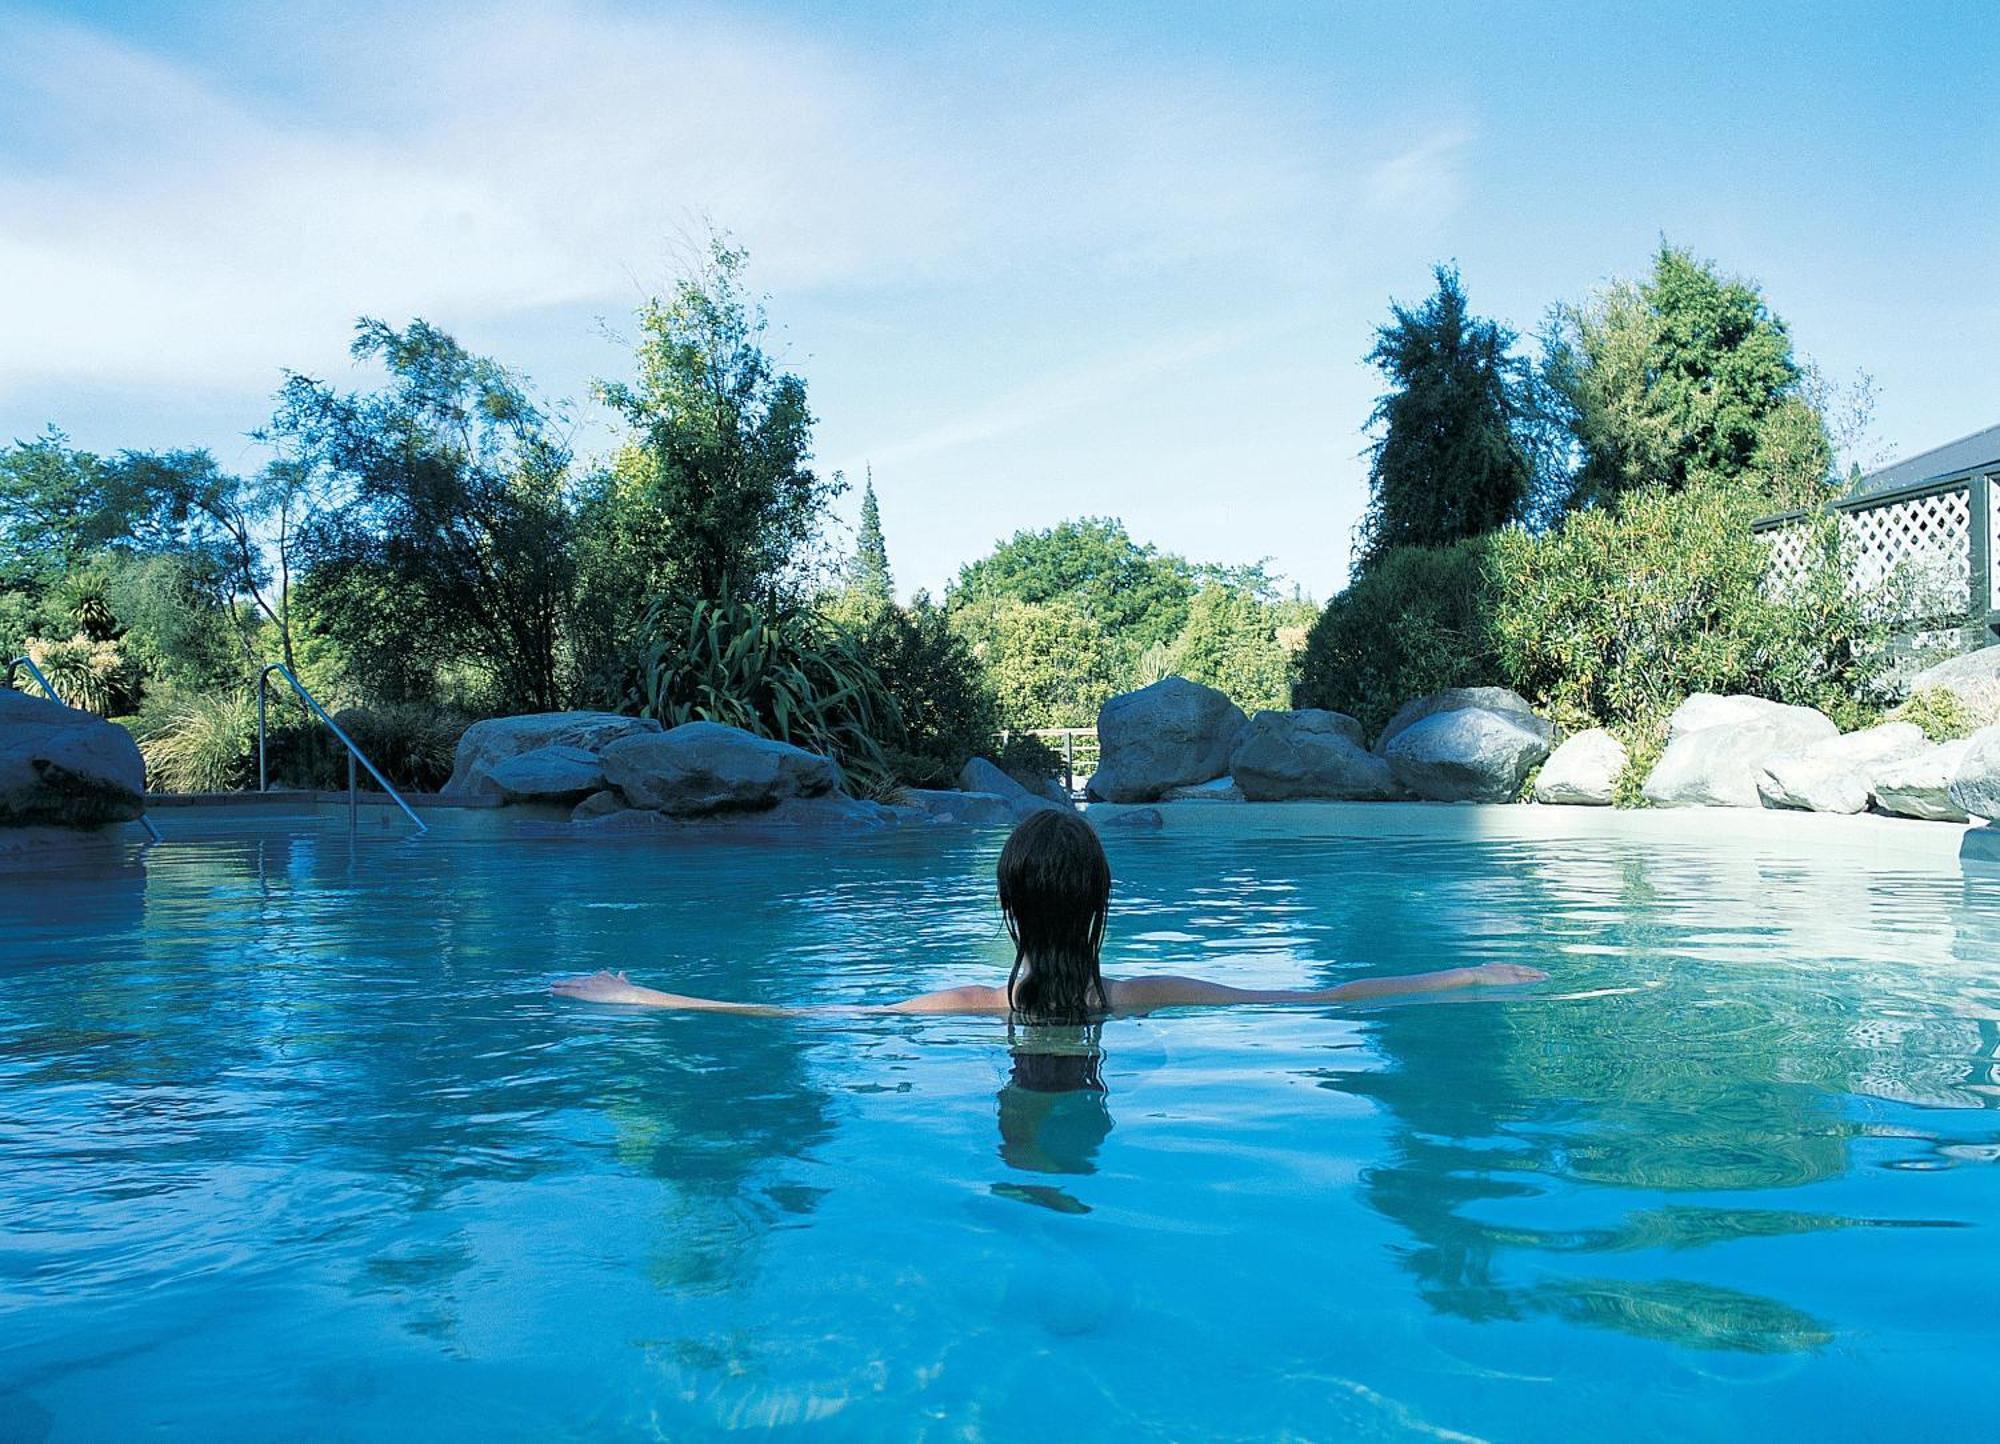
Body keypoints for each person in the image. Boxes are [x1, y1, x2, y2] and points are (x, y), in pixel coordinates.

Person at [551, 808, 1546, 1018]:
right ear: (1103, 903)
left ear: (1006, 905)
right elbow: (1317, 996)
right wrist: (1462, 973)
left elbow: (799, 1018)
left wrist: (635, 993)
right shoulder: (1142, 996)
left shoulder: (973, 1006)